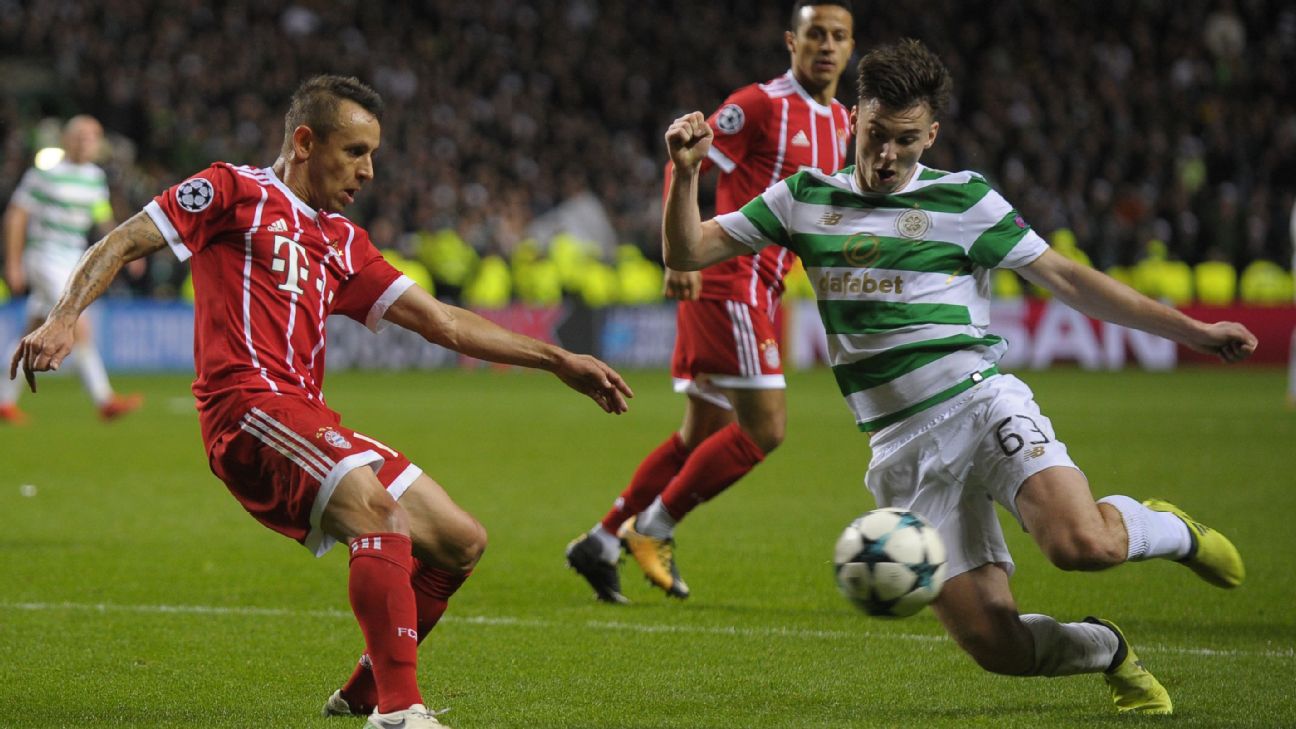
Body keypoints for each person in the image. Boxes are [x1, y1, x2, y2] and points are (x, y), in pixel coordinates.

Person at [10, 75, 633, 729]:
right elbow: (121, 240)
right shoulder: (231, 190)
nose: (368, 170)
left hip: (305, 415)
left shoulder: (341, 241)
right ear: (305, 141)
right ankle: (399, 711)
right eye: (356, 150)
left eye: (373, 155)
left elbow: (443, 321)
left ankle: (365, 690)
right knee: (377, 510)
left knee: (459, 540)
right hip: (245, 409)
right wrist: (61, 318)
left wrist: (557, 357)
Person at [659, 39, 1257, 715]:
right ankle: (1107, 649)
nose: (888, 156)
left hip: (980, 406)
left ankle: (1170, 530)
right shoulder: (803, 198)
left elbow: (1068, 280)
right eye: (877, 135)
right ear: (855, 116)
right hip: (900, 451)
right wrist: (685, 176)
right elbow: (688, 250)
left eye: (907, 142)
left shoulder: (964, 198)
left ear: (932, 134)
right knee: (996, 646)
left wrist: (1196, 332)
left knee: (1080, 543)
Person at [565, 0, 856, 603]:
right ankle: (651, 528)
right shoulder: (758, 103)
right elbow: (686, 161)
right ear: (790, 41)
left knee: (701, 435)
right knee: (766, 429)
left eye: (838, 36)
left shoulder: (841, 123)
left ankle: (597, 542)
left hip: (762, 289)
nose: (826, 45)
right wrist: (678, 256)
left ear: (850, 47)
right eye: (815, 34)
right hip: (730, 281)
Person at [1, 115, 142, 424]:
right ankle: (104, 399)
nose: (85, 142)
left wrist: (132, 248)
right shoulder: (44, 175)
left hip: (73, 260)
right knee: (79, 323)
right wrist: (13, 263)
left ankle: (4, 401)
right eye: (79, 136)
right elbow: (16, 216)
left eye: (91, 137)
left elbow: (102, 218)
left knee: (33, 330)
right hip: (44, 257)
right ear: (66, 139)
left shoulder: (94, 178)